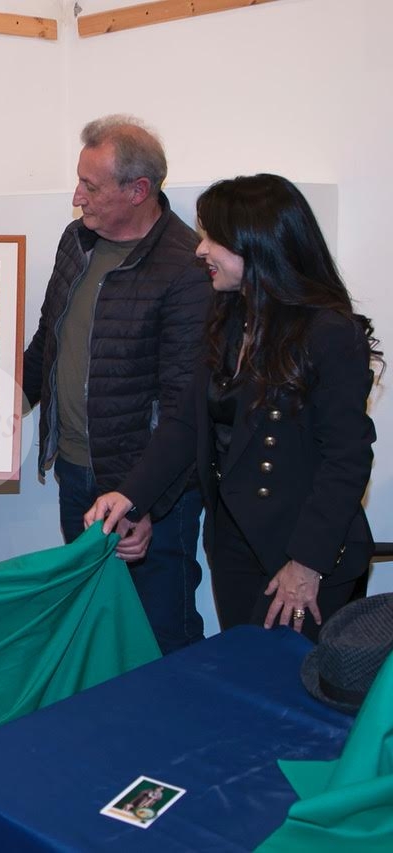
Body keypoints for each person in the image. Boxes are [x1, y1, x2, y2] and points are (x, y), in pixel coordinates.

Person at [86, 174, 380, 643]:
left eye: (214, 239)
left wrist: (306, 564)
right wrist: (130, 496)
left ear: (258, 247)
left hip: (305, 553)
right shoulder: (228, 316)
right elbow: (186, 423)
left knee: (289, 682)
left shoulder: (329, 333)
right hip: (235, 544)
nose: (201, 250)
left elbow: (346, 460)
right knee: (244, 674)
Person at [21, 115, 211, 654]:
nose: (76, 197)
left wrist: (141, 501)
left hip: (150, 492)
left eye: (91, 186)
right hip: (76, 476)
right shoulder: (76, 241)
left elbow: (183, 409)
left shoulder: (186, 267)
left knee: (159, 636)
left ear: (138, 190)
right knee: (94, 627)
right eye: (78, 181)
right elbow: (48, 343)